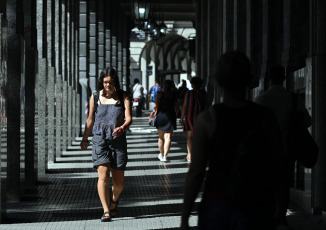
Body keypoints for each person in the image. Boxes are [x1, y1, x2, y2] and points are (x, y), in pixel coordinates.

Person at [181, 51, 284, 230]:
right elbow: (278, 167)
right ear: (249, 79)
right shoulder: (265, 117)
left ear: (218, 81)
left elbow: (196, 172)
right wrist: (281, 215)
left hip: (217, 205)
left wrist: (185, 218)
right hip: (257, 205)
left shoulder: (207, 120)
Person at [254, 64, 311, 229]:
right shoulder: (291, 98)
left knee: (267, 183)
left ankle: (269, 214)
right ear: (284, 78)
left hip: (265, 151)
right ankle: (280, 216)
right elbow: (307, 121)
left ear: (269, 79)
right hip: (286, 149)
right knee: (283, 184)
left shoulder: (261, 99)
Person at [80, 67, 132, 222]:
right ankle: (106, 210)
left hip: (118, 141)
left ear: (115, 81)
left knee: (119, 182)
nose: (107, 85)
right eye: (105, 82)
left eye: (110, 82)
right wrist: (85, 138)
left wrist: (122, 127)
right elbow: (90, 120)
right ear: (101, 82)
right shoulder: (95, 96)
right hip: (99, 140)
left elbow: (129, 118)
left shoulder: (123, 96)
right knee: (103, 176)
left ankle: (114, 201)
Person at [180, 77, 208, 162]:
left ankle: (189, 154)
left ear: (192, 84)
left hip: (190, 116)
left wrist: (182, 117)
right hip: (201, 117)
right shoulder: (204, 93)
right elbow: (206, 105)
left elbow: (185, 105)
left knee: (190, 136)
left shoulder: (189, 93)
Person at [155, 79, 179, 162]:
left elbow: (155, 105)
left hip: (161, 116)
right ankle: (165, 156)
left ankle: (161, 154)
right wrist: (176, 115)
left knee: (161, 138)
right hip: (170, 116)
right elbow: (176, 107)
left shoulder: (160, 94)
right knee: (168, 137)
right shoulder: (174, 95)